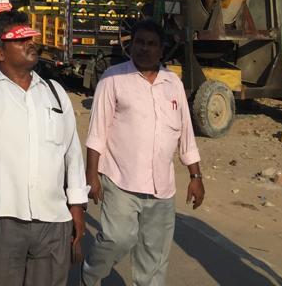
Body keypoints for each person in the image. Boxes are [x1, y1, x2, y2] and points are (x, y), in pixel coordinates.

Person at [0, 11, 87, 285]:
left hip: (53, 220)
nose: (30, 43)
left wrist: (76, 207)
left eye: (30, 37)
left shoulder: (55, 92)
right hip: (2, 218)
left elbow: (72, 154)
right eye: (20, 38)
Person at [81, 19, 204, 286]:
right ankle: (90, 276)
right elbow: (97, 132)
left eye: (151, 44)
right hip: (120, 180)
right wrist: (91, 176)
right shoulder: (113, 78)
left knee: (154, 256)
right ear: (131, 45)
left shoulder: (173, 83)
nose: (144, 48)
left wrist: (195, 176)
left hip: (162, 188)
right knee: (117, 239)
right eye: (139, 42)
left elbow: (185, 132)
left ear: (161, 50)